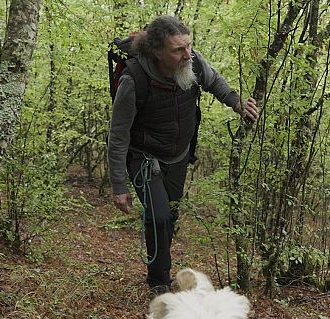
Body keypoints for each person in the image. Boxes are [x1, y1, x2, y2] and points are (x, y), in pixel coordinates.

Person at [108, 15, 259, 297]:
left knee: (170, 216)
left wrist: (238, 104)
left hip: (179, 155)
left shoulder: (194, 63)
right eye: (178, 50)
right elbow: (118, 135)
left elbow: (216, 82)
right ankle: (159, 282)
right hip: (144, 157)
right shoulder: (133, 79)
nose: (187, 54)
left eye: (188, 45)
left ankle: (159, 264)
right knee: (160, 216)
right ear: (157, 52)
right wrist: (118, 186)